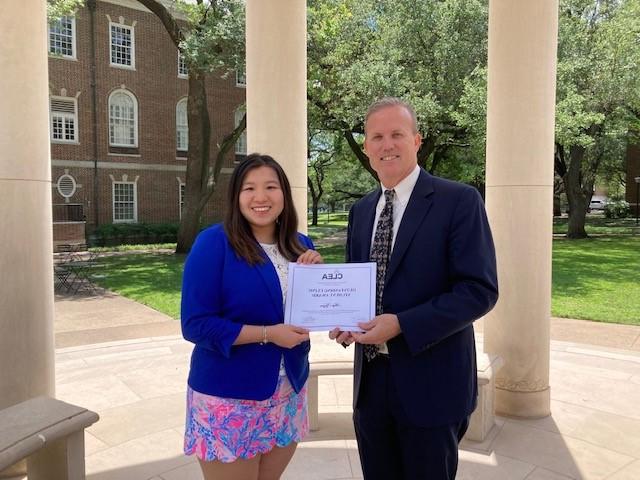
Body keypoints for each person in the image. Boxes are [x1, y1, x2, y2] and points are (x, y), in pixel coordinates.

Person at [329, 97, 499, 479]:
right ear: (367, 147)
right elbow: (360, 288)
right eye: (376, 136)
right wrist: (343, 319)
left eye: (396, 134)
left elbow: (479, 289)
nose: (386, 144)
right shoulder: (360, 211)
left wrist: (402, 323)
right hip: (370, 387)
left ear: (417, 140)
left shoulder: (459, 201)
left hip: (433, 384)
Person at [181, 153, 323, 480]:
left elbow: (304, 314)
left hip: (289, 390)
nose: (261, 197)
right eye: (250, 188)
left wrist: (316, 280)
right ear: (236, 197)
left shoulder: (300, 244)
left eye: (271, 187)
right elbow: (195, 324)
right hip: (229, 397)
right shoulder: (213, 243)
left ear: (284, 195)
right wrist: (269, 333)